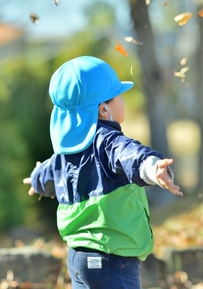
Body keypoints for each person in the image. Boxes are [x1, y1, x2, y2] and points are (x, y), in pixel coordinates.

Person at [23, 56, 183, 289]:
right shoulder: (108, 142)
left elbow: (46, 175)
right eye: (118, 95)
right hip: (112, 260)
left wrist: (36, 180)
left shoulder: (63, 154)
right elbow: (130, 155)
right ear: (103, 109)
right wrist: (152, 167)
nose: (123, 100)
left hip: (79, 259)